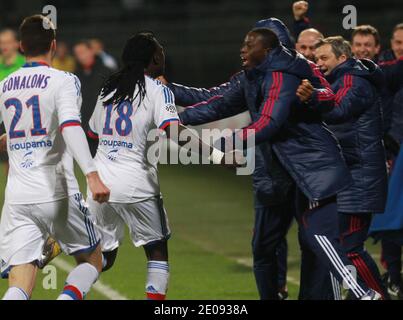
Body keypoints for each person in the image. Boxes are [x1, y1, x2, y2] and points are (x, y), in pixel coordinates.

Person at [176, 27, 382, 300]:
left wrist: (224, 145)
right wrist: (168, 105)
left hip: (312, 170)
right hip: (279, 173)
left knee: (320, 239)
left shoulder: (283, 76)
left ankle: (363, 292)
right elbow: (216, 102)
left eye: (249, 44)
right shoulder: (256, 75)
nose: (242, 49)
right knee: (271, 245)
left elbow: (270, 123)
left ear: (270, 49)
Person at [86, 32, 244, 300]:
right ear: (154, 57)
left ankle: (69, 293)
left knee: (104, 256)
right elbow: (175, 131)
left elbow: (92, 132)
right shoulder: (157, 90)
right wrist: (218, 156)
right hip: (136, 183)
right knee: (156, 250)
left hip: (100, 182)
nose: (163, 54)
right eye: (160, 50)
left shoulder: (109, 87)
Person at [0, 14, 110, 300]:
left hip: (18, 197)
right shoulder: (64, 80)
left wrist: (11, 138)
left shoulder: (6, 84)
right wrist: (92, 174)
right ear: (53, 44)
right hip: (56, 192)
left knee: (19, 281)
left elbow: (21, 125)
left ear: (22, 46)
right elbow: (70, 126)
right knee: (92, 260)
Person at [312, 36, 388, 299]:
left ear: (342, 58)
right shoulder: (339, 79)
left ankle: (376, 295)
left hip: (360, 176)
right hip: (350, 174)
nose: (318, 63)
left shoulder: (352, 81)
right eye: (316, 59)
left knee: (350, 246)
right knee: (343, 243)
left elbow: (338, 111)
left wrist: (310, 99)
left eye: (324, 58)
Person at [74, 40, 113, 157]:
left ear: (91, 51)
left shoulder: (107, 72)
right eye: (77, 53)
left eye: (82, 52)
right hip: (85, 127)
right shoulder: (75, 75)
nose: (80, 56)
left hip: (104, 127)